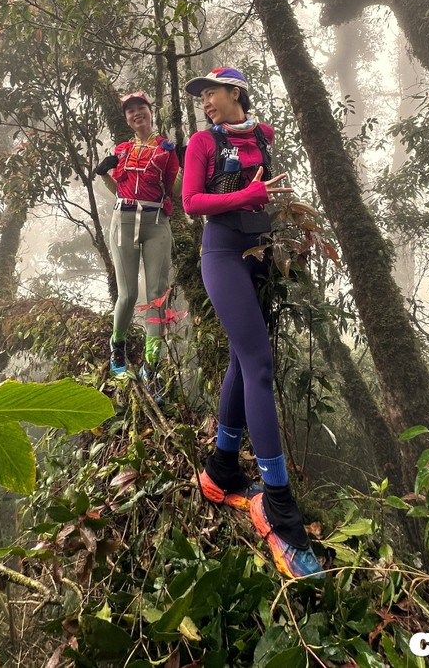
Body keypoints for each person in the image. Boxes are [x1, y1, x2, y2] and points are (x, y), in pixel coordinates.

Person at [182, 66, 324, 580]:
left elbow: (273, 190)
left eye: (212, 93)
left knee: (246, 363)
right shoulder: (202, 141)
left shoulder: (263, 135)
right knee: (260, 365)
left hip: (261, 254)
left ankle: (221, 471)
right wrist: (246, 197)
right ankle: (279, 507)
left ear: (235, 91)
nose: (206, 103)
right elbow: (191, 201)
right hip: (220, 253)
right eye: (201, 97)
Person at [94, 91, 179, 390]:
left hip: (157, 222)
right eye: (130, 111)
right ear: (127, 119)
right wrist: (104, 173)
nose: (135, 114)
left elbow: (175, 190)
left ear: (150, 112)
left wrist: (185, 163)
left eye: (140, 108)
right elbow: (117, 190)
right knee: (128, 294)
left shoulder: (168, 150)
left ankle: (152, 365)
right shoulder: (123, 150)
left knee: (156, 294)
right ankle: (117, 344)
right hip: (125, 219)